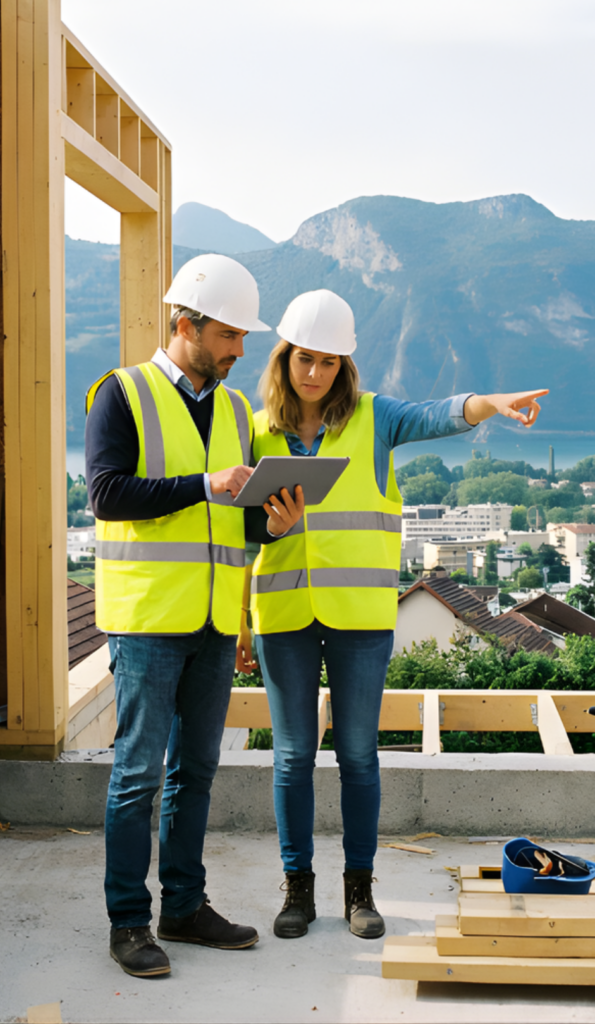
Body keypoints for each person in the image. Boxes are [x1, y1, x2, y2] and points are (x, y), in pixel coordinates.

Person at [237, 288, 548, 941]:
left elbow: (440, 413)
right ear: (284, 358)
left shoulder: (375, 419)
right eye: (304, 359)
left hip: (359, 618)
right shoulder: (252, 431)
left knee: (357, 756)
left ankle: (358, 891)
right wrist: (239, 618)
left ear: (344, 365)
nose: (314, 372)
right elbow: (235, 535)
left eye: (328, 361)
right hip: (282, 615)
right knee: (292, 758)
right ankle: (297, 891)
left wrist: (489, 403)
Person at [85, 253, 271, 978]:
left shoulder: (235, 411)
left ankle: (185, 908)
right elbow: (106, 495)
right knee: (137, 775)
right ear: (185, 324)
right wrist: (203, 483)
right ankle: (128, 922)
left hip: (214, 620)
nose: (238, 351)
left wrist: (271, 523)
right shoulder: (121, 393)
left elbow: (236, 521)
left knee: (197, 769)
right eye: (229, 335)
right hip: (146, 621)